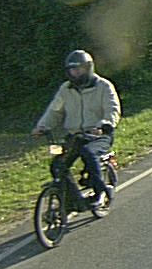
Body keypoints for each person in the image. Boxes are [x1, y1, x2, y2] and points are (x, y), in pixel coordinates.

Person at [31, 49, 120, 210]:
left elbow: (112, 109)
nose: (75, 73)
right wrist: (42, 126)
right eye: (72, 70)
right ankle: (74, 200)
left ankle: (101, 192)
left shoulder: (103, 86)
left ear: (88, 68)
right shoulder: (66, 89)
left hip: (99, 135)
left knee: (89, 153)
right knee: (58, 165)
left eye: (79, 69)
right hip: (75, 135)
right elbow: (55, 111)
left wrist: (104, 124)